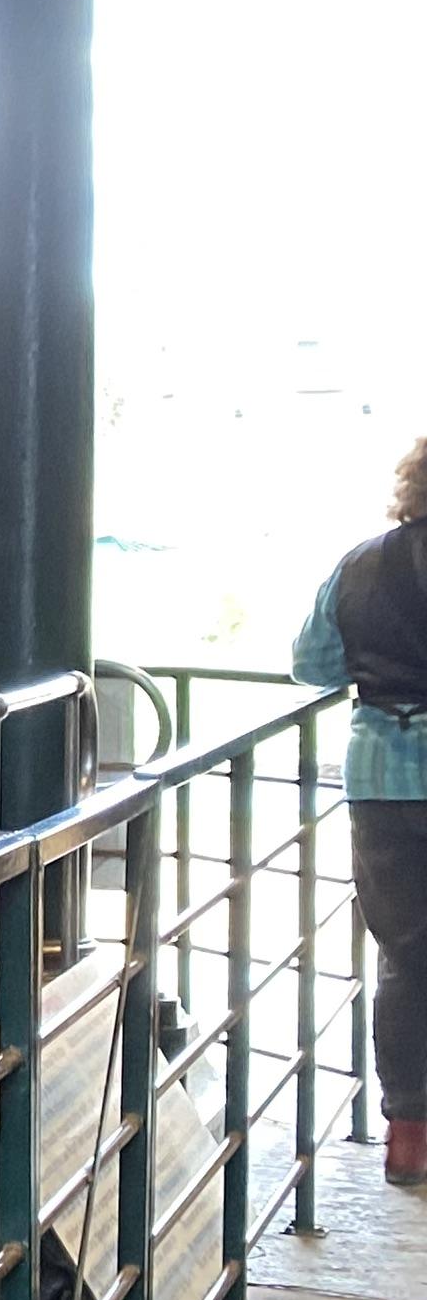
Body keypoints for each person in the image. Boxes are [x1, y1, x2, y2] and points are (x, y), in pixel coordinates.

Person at [294, 438, 427, 1189]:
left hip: (381, 775)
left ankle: (408, 1132)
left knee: (405, 958)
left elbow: (310, 664)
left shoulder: (360, 564)